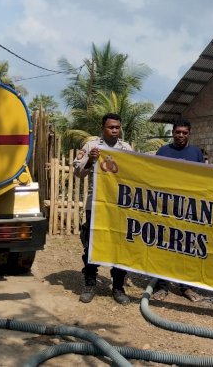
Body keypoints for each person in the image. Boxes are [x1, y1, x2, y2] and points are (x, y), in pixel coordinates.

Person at [74, 113, 133, 305]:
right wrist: (91, 161)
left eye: (117, 127)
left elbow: (133, 175)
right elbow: (78, 173)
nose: (114, 131)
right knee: (91, 245)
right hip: (96, 204)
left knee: (119, 246)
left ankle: (117, 287)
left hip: (119, 207)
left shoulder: (126, 149)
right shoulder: (91, 147)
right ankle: (90, 284)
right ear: (103, 128)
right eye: (110, 127)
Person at [151, 118, 205, 303]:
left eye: (184, 132)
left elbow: (202, 179)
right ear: (172, 133)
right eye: (177, 132)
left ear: (189, 133)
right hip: (167, 207)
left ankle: (186, 287)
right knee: (164, 246)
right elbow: (154, 175)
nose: (181, 135)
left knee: (187, 247)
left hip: (189, 208)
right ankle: (162, 286)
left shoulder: (196, 153)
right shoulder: (163, 151)